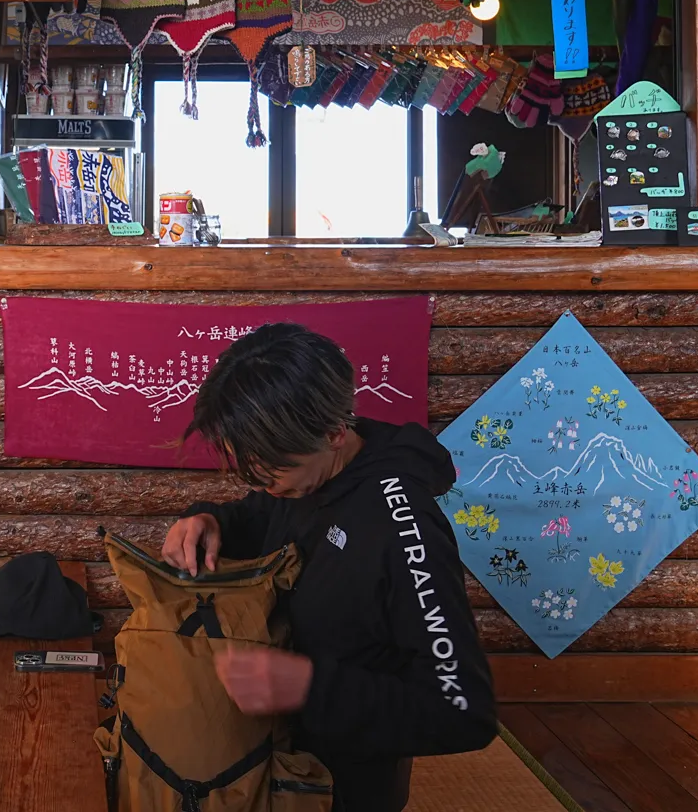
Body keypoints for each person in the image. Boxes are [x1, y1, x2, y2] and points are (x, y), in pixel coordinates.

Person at [161, 323, 495, 812]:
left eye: (273, 472)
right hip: (270, 764)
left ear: (335, 433)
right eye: (248, 471)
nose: (265, 486)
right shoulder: (307, 479)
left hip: (344, 789)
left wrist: (310, 687)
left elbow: (464, 711)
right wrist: (209, 519)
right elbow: (264, 513)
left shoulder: (404, 528)